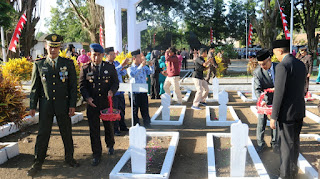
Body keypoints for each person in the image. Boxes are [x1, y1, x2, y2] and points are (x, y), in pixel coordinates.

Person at [28, 34, 79, 177]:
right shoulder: (39, 64)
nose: (53, 50)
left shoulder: (67, 63)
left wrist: (72, 105)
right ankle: (38, 162)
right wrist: (32, 105)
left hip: (63, 104)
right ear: (46, 46)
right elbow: (35, 88)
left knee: (66, 132)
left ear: (60, 47)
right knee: (43, 134)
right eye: (50, 46)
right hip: (46, 105)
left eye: (56, 47)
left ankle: (69, 158)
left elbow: (72, 87)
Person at [270, 40, 306, 179]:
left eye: (275, 54)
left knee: (285, 148)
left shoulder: (282, 66)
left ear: (280, 51)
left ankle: (285, 176)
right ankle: (293, 173)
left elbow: (279, 93)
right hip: (299, 111)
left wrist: (274, 116)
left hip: (287, 114)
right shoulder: (300, 64)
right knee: (295, 145)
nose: (275, 57)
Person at [79, 43, 119, 166]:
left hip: (106, 103)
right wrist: (87, 98)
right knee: (94, 130)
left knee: (109, 126)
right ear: (90, 55)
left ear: (102, 55)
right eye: (94, 55)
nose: (96, 58)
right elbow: (82, 86)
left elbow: (115, 83)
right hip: (93, 104)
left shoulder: (109, 67)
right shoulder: (85, 69)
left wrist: (112, 91)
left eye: (99, 55)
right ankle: (96, 154)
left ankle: (110, 144)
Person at [253, 49, 278, 153]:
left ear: (269, 59)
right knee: (261, 121)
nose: (262, 66)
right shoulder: (258, 72)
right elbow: (257, 89)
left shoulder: (279, 68)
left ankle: (275, 143)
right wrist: (262, 100)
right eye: (260, 64)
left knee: (276, 121)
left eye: (263, 64)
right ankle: (260, 143)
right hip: (265, 100)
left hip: (277, 99)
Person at [105, 47, 129, 136]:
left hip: (120, 90)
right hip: (113, 91)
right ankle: (115, 129)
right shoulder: (106, 65)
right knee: (114, 110)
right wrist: (121, 66)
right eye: (111, 54)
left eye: (114, 54)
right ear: (106, 56)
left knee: (121, 108)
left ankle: (122, 126)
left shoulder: (116, 63)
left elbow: (123, 73)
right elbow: (113, 72)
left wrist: (123, 68)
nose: (113, 56)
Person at [128, 49, 154, 128]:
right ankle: (136, 124)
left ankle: (147, 123)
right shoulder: (130, 68)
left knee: (145, 108)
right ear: (134, 58)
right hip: (134, 92)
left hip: (143, 91)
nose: (141, 59)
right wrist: (140, 66)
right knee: (135, 109)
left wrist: (151, 66)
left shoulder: (143, 67)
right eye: (139, 57)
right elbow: (133, 75)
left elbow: (150, 72)